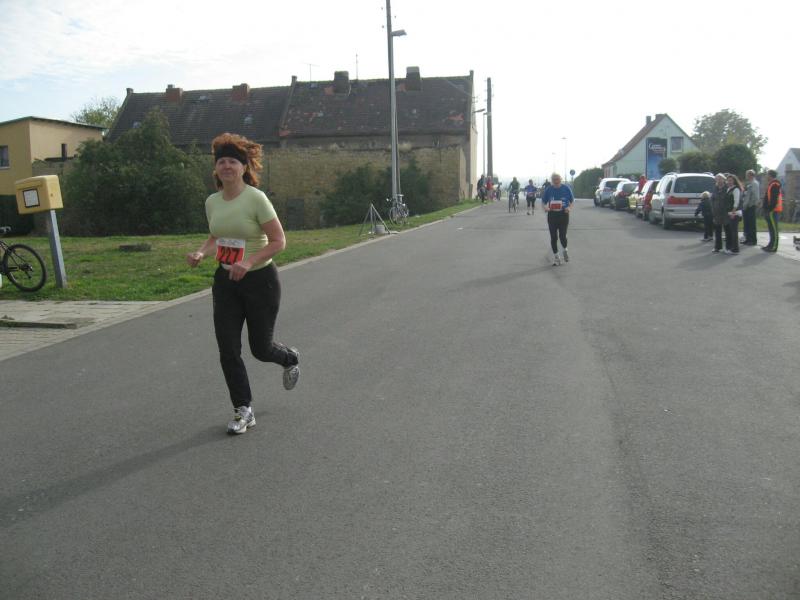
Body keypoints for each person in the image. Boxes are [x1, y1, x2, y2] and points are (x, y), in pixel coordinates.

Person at [186, 132, 300, 434]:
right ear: (215, 168)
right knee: (228, 349)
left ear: (243, 167)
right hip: (225, 281)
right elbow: (217, 235)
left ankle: (289, 357)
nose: (226, 166)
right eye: (221, 161)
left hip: (260, 280)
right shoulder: (212, 201)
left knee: (260, 348)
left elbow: (279, 241)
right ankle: (243, 409)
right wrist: (201, 252)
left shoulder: (255, 198)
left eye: (232, 161)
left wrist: (248, 262)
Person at [542, 173, 574, 265]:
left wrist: (569, 208)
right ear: (552, 180)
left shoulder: (566, 188)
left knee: (562, 236)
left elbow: (572, 201)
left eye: (557, 179)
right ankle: (556, 257)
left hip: (563, 214)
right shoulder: (549, 189)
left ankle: (565, 250)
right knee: (553, 237)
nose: (556, 181)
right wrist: (546, 207)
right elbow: (543, 202)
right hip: (552, 215)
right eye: (554, 179)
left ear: (561, 179)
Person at [710, 173, 735, 254]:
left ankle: (729, 247)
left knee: (728, 231)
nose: (719, 180)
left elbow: (730, 200)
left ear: (724, 180)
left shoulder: (727, 188)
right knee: (717, 231)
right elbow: (712, 199)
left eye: (720, 179)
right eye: (717, 179)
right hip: (717, 213)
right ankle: (717, 247)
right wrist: (713, 209)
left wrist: (729, 210)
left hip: (725, 213)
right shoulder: (715, 188)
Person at [762, 169, 782, 253]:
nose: (766, 176)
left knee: (774, 229)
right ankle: (770, 244)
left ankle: (774, 247)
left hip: (773, 210)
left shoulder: (775, 184)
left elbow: (774, 199)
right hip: (770, 210)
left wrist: (769, 209)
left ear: (770, 175)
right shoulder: (771, 184)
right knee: (771, 229)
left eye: (767, 174)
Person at [740, 169, 760, 246]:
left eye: (748, 175)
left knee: (751, 224)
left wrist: (751, 204)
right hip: (745, 206)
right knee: (747, 224)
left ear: (751, 175)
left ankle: (753, 240)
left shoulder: (754, 183)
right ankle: (747, 239)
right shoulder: (748, 183)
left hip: (750, 206)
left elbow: (755, 196)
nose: (746, 176)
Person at [724, 173, 742, 254]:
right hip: (729, 212)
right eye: (728, 180)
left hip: (734, 213)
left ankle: (735, 249)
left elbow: (736, 202)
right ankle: (731, 247)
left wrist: (733, 212)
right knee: (731, 231)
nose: (729, 182)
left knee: (734, 232)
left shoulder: (736, 189)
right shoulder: (729, 189)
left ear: (734, 181)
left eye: (731, 180)